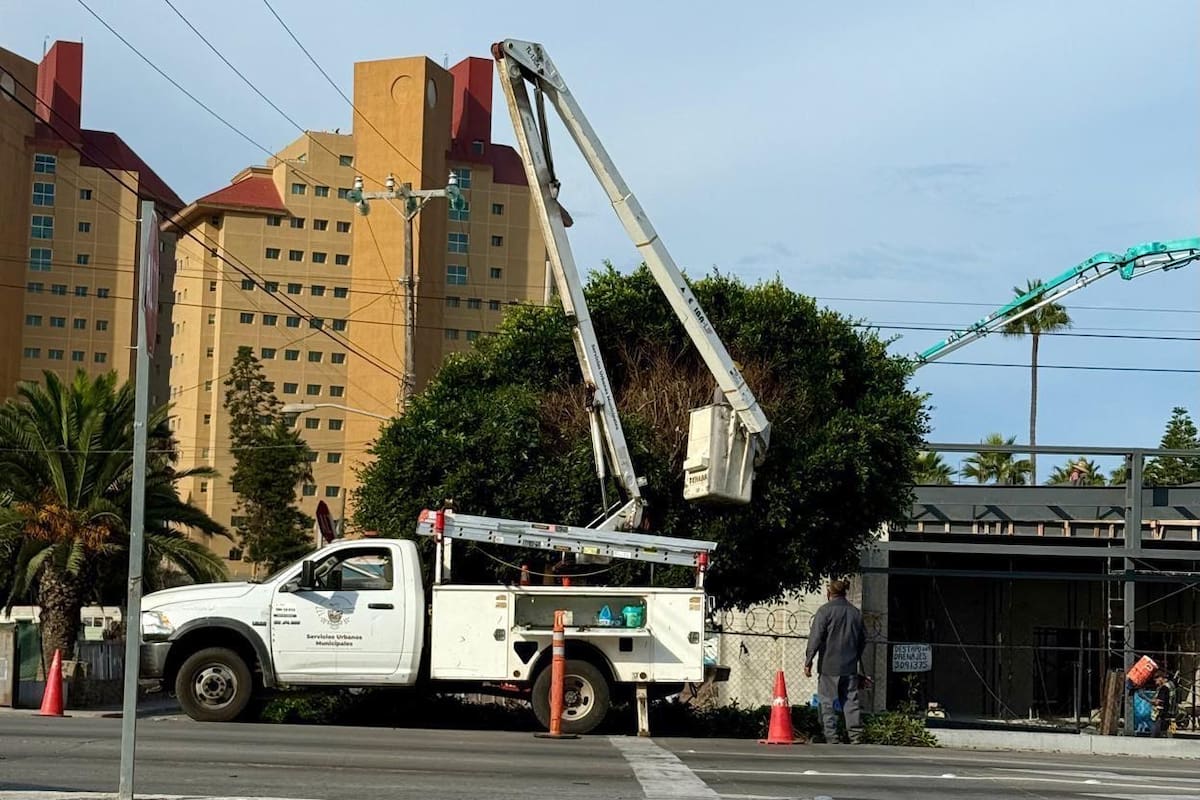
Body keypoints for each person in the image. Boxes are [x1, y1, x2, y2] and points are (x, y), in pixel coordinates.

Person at [804, 578, 867, 744]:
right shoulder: (855, 613)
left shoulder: (824, 611)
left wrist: (809, 661)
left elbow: (815, 638)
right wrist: (855, 656)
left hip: (828, 665)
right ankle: (855, 736)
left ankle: (831, 736)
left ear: (829, 593)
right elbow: (863, 640)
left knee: (827, 701)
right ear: (844, 592)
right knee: (851, 701)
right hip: (850, 666)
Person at [1150, 669, 1177, 738]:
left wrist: (1151, 701)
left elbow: (1159, 702)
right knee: (1171, 738)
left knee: (1156, 738)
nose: (1155, 682)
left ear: (1161, 678)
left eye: (1156, 680)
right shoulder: (1172, 685)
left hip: (1161, 718)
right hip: (1172, 715)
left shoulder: (1164, 688)